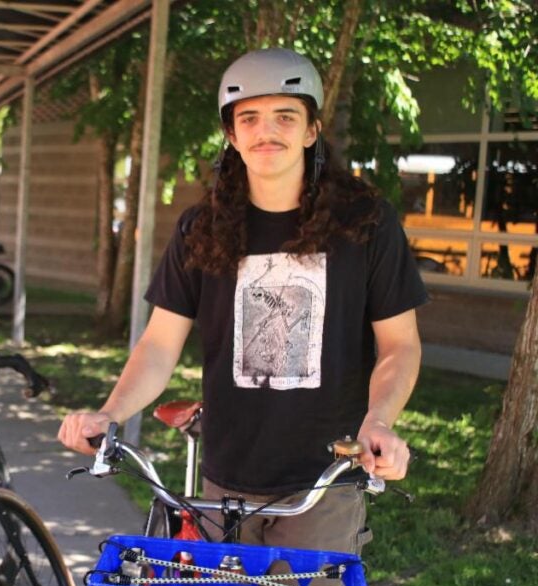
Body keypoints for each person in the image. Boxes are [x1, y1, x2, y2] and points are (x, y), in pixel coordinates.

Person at [58, 47, 428, 556]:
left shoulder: (365, 224)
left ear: (311, 130)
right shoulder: (202, 229)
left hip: (323, 483)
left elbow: (399, 346)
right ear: (231, 136)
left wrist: (379, 419)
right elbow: (159, 346)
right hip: (225, 481)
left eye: (285, 116)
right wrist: (110, 413)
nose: (266, 131)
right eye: (249, 118)